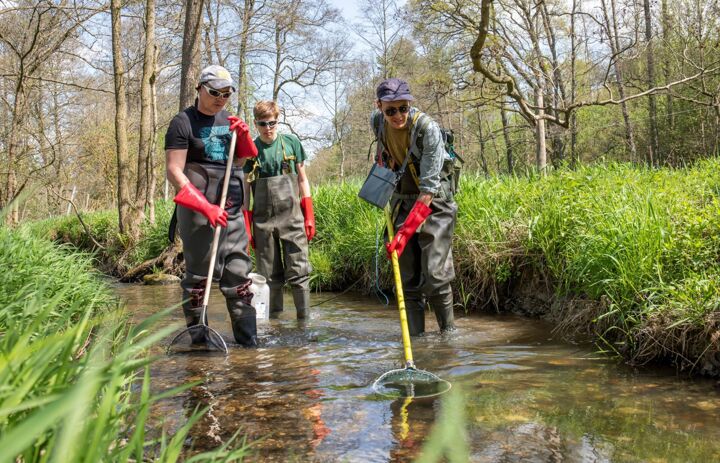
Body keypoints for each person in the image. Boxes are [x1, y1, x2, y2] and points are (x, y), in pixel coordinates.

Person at [165, 64, 260, 347]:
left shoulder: (228, 119)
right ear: (200, 89)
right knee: (198, 280)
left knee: (240, 279)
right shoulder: (182, 123)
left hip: (231, 209)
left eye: (226, 93)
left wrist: (243, 136)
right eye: (214, 92)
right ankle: (200, 342)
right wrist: (206, 208)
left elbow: (245, 159)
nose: (220, 98)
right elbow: (174, 172)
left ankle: (248, 344)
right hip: (198, 212)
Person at [370, 78, 457, 335]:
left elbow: (428, 190)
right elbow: (384, 155)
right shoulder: (377, 122)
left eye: (403, 108)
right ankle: (416, 341)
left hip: (434, 202)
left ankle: (448, 337)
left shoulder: (427, 129)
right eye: (391, 110)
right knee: (406, 278)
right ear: (379, 107)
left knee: (435, 275)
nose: (398, 115)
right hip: (401, 200)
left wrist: (404, 233)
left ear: (410, 104)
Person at [242, 100, 316, 319]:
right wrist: (247, 225)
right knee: (268, 277)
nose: (268, 128)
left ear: (278, 120)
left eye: (272, 123)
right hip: (263, 223)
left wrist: (309, 214)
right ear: (255, 124)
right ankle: (273, 325)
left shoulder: (292, 144)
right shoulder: (251, 151)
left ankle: (304, 324)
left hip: (293, 219)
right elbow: (246, 190)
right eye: (262, 124)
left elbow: (303, 180)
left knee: (299, 272)